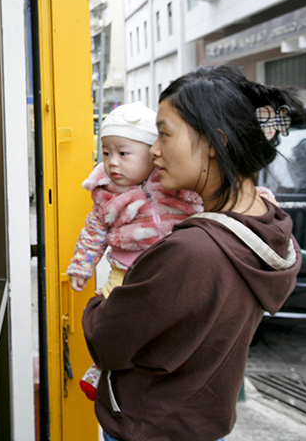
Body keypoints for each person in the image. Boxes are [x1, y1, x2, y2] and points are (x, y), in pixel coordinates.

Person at [82, 64, 304, 441]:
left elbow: (107, 342)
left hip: (149, 427)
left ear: (216, 143)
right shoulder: (269, 224)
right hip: (202, 421)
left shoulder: (192, 250)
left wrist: (101, 303)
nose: (153, 151)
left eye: (164, 135)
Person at [66, 102, 203, 399]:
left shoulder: (173, 183)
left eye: (123, 153)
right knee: (116, 321)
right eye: (106, 153)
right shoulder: (104, 194)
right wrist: (81, 266)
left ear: (153, 153)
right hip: (124, 272)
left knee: (169, 318)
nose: (112, 162)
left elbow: (205, 199)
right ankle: (102, 368)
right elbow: (93, 233)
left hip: (169, 266)